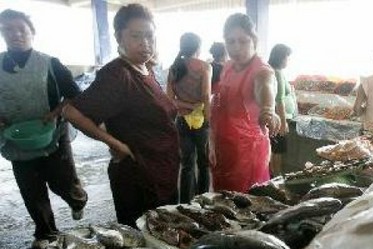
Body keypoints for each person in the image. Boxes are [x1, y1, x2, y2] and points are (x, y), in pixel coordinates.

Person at [63, 4, 179, 228]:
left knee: (165, 233)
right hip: (138, 176)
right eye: (136, 36)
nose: (145, 43)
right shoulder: (118, 74)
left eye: (150, 36)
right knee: (145, 239)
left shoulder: (145, 68)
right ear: (119, 37)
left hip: (161, 169)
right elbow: (73, 112)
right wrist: (116, 143)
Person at [0, 9, 87, 249]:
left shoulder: (50, 64)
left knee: (63, 182)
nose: (16, 34)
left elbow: (74, 95)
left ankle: (77, 200)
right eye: (8, 29)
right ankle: (46, 232)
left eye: (22, 29)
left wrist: (57, 111)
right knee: (31, 189)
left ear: (32, 33)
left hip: (52, 137)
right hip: (16, 141)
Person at [210, 13, 280, 193]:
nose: (236, 48)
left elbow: (265, 89)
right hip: (223, 148)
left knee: (246, 203)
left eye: (243, 41)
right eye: (230, 41)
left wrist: (268, 110)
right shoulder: (227, 67)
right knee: (221, 200)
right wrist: (211, 141)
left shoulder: (262, 71)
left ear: (254, 40)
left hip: (248, 155)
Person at [167, 32, 211, 204]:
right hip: (201, 121)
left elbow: (169, 100)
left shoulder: (174, 67)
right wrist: (205, 116)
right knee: (204, 164)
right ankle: (203, 203)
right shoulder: (204, 67)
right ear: (198, 47)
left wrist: (186, 106)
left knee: (187, 165)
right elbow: (206, 96)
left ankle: (185, 204)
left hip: (182, 121)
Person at [268, 43, 297, 176]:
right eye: (287, 57)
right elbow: (278, 100)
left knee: (274, 149)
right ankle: (276, 177)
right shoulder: (277, 73)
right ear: (281, 57)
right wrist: (283, 123)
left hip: (275, 117)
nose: (288, 61)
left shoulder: (273, 71)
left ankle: (272, 175)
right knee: (277, 150)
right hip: (279, 118)